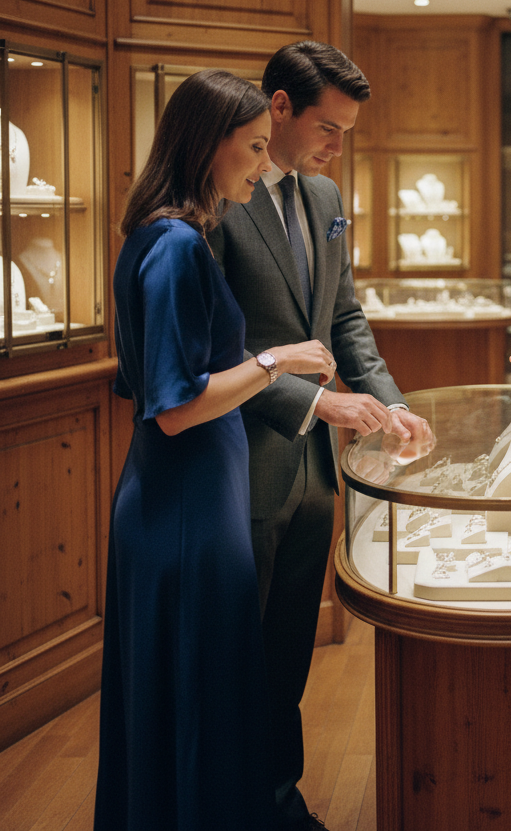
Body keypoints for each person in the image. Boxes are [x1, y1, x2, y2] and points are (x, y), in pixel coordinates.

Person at [95, 70, 337, 831]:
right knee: (201, 702)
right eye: (255, 147)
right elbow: (172, 408)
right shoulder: (172, 245)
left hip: (198, 499)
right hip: (186, 510)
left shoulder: (174, 237)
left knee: (199, 700)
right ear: (210, 144)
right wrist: (278, 360)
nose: (264, 165)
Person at [209, 41, 434, 831]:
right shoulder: (217, 199)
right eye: (328, 128)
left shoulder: (327, 193)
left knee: (288, 654)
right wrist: (316, 404)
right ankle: (233, 803)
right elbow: (210, 349)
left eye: (347, 131)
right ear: (278, 108)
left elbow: (344, 317)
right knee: (235, 658)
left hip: (314, 475)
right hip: (242, 464)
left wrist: (389, 403)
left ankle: (278, 798)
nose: (338, 146)